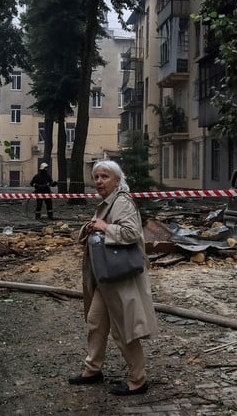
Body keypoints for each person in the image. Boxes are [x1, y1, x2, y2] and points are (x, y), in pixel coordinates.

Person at [69, 160, 158, 396]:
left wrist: (105, 227)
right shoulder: (108, 201)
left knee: (123, 329)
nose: (99, 181)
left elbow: (130, 233)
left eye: (105, 176)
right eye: (96, 177)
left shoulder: (122, 202)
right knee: (95, 322)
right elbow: (99, 225)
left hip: (119, 276)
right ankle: (93, 369)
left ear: (117, 180)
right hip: (105, 277)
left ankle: (138, 380)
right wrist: (91, 227)